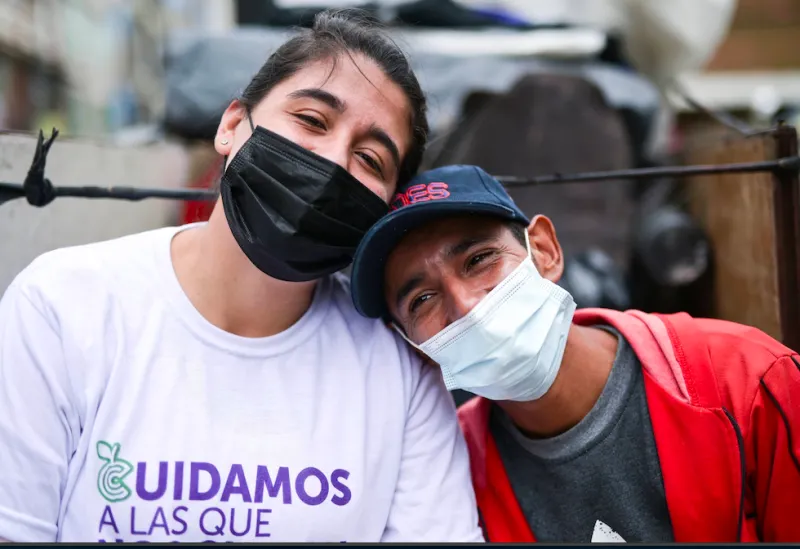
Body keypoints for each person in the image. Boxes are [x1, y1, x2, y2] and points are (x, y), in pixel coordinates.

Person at [0, 12, 483, 543]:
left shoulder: (399, 368)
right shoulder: (63, 306)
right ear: (232, 126)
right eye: (312, 120)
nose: (332, 163)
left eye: (369, 158)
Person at [349, 164, 800, 543]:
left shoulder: (750, 382)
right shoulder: (448, 473)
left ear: (543, 250)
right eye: (421, 301)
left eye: (479, 259)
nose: (466, 305)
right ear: (413, 345)